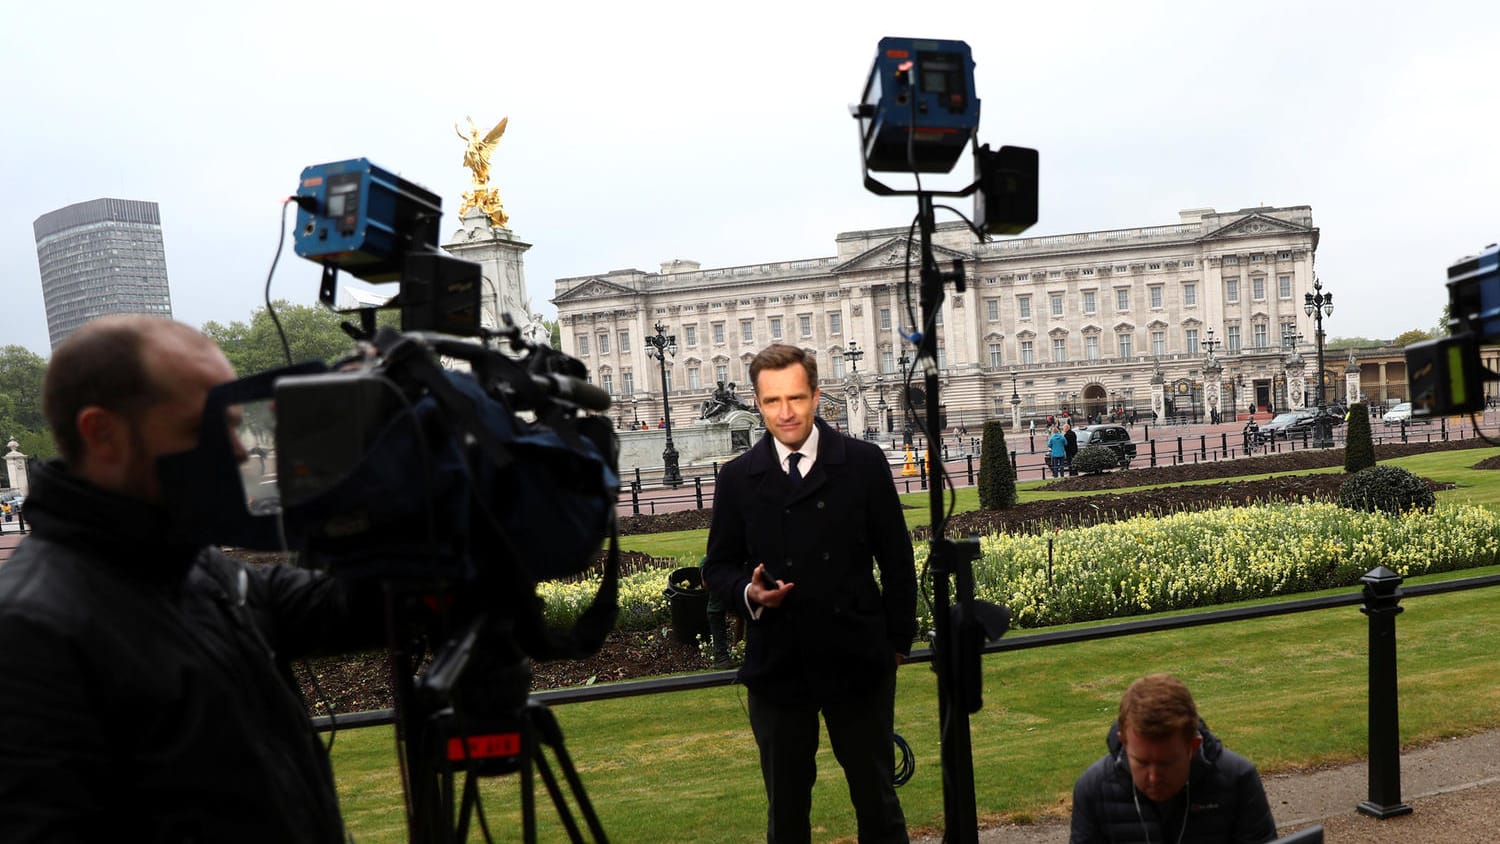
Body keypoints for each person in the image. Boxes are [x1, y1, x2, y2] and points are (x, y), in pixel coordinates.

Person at [0, 315, 382, 841]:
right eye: (204, 428)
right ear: (102, 432)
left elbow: (356, 607)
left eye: (236, 421)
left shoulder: (196, 566)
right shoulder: (28, 630)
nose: (242, 450)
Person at [703, 343, 917, 843]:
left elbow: (896, 557)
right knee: (788, 812)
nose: (786, 412)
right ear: (757, 403)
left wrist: (897, 642)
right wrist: (750, 595)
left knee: (877, 802)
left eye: (796, 398)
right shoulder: (737, 479)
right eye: (773, 401)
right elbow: (717, 566)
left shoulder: (862, 463)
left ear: (817, 397)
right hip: (778, 664)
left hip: (856, 659)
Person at [1070, 674, 1276, 843]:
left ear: (1193, 747)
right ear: (1123, 742)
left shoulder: (1238, 780)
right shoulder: (1092, 789)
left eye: (1166, 763)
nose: (1153, 777)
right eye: (1141, 762)